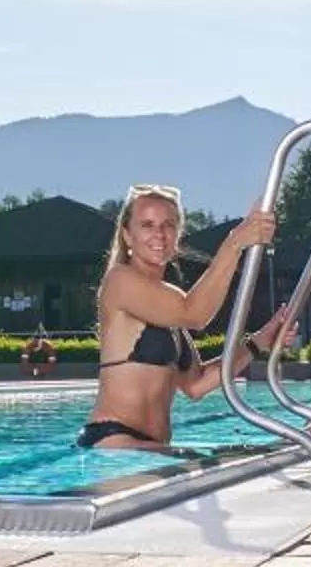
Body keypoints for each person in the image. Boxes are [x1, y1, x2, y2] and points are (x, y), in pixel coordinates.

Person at [78, 185, 289, 450]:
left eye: (168, 225)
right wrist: (235, 242)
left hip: (151, 447)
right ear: (127, 236)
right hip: (114, 440)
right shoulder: (120, 281)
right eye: (147, 225)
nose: (159, 234)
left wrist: (259, 343)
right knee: (217, 469)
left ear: (177, 234)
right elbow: (196, 314)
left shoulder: (169, 303)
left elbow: (196, 384)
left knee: (242, 461)